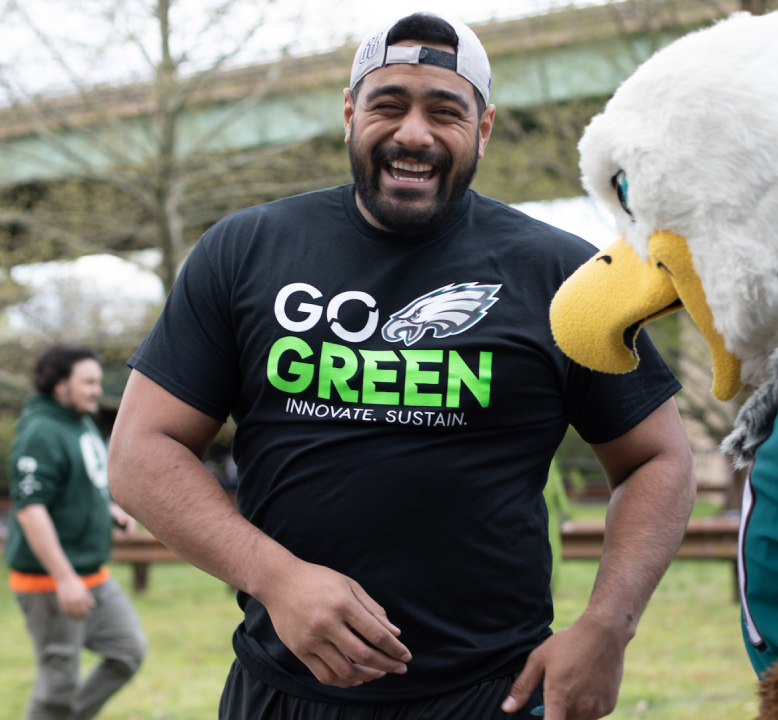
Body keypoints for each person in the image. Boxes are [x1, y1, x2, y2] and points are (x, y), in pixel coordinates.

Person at [108, 11, 695, 720]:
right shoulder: (245, 251)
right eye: (388, 104)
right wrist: (277, 579)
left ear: (482, 130)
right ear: (350, 114)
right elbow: (141, 450)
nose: (413, 132)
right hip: (284, 691)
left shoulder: (560, 274)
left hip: (491, 692)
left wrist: (608, 626)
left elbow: (657, 458)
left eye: (444, 111)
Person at [6, 343, 148, 720]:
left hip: (92, 574)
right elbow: (31, 510)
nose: (96, 390)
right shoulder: (39, 432)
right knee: (57, 687)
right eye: (88, 382)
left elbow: (77, 487)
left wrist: (108, 510)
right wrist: (64, 579)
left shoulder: (80, 423)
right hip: (51, 582)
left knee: (127, 652)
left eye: (97, 382)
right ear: (59, 386)